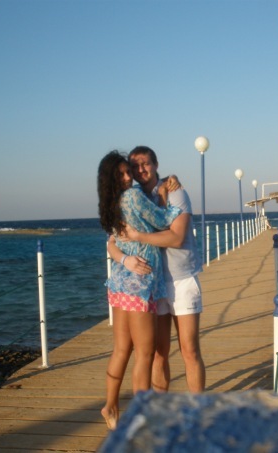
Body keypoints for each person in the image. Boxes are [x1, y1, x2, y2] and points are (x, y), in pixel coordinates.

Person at [108, 145, 206, 393]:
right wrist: (125, 260)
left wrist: (138, 236)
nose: (140, 169)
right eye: (135, 166)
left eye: (145, 163)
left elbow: (177, 238)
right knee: (159, 352)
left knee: (189, 350)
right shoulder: (133, 197)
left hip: (182, 279)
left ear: (155, 165)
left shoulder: (175, 192)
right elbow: (112, 242)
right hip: (154, 283)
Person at [97, 150, 180, 430]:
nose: (128, 177)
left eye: (127, 171)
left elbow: (113, 242)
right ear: (111, 179)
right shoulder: (132, 196)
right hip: (140, 284)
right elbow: (162, 220)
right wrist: (166, 196)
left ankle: (110, 406)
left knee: (122, 350)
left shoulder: (111, 205)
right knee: (145, 353)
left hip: (120, 282)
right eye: (121, 174)